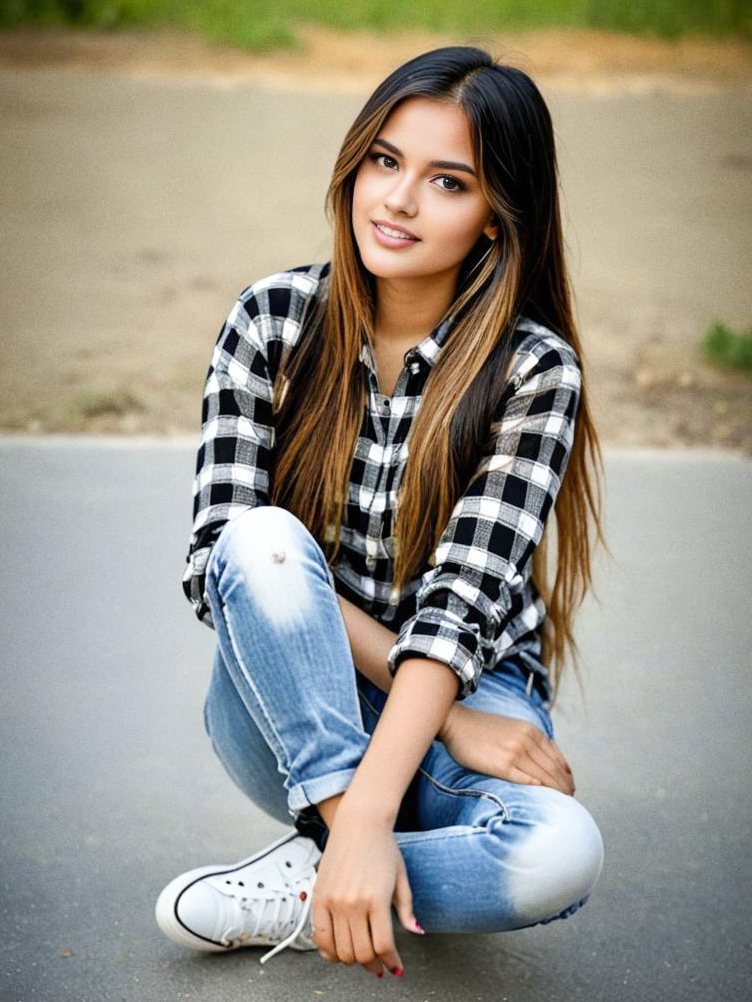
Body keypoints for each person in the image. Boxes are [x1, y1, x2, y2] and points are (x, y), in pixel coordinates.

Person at [155, 44, 607, 979]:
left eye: (449, 182)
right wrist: (429, 744)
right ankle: (346, 844)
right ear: (356, 161)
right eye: (385, 161)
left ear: (495, 220)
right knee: (261, 539)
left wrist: (387, 794)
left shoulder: (534, 371)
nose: (398, 201)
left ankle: (319, 872)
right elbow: (218, 563)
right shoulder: (272, 321)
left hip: (473, 688)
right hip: (290, 700)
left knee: (563, 853)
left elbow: (458, 609)